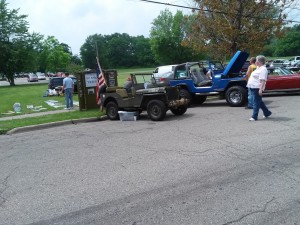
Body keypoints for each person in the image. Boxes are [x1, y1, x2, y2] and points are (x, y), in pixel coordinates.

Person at [247, 55, 272, 121]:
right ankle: (267, 113)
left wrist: (260, 89)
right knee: (259, 101)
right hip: (252, 87)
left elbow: (263, 80)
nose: (255, 61)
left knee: (255, 102)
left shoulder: (263, 69)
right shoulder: (259, 68)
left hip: (257, 87)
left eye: (256, 60)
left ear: (259, 61)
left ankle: (254, 116)